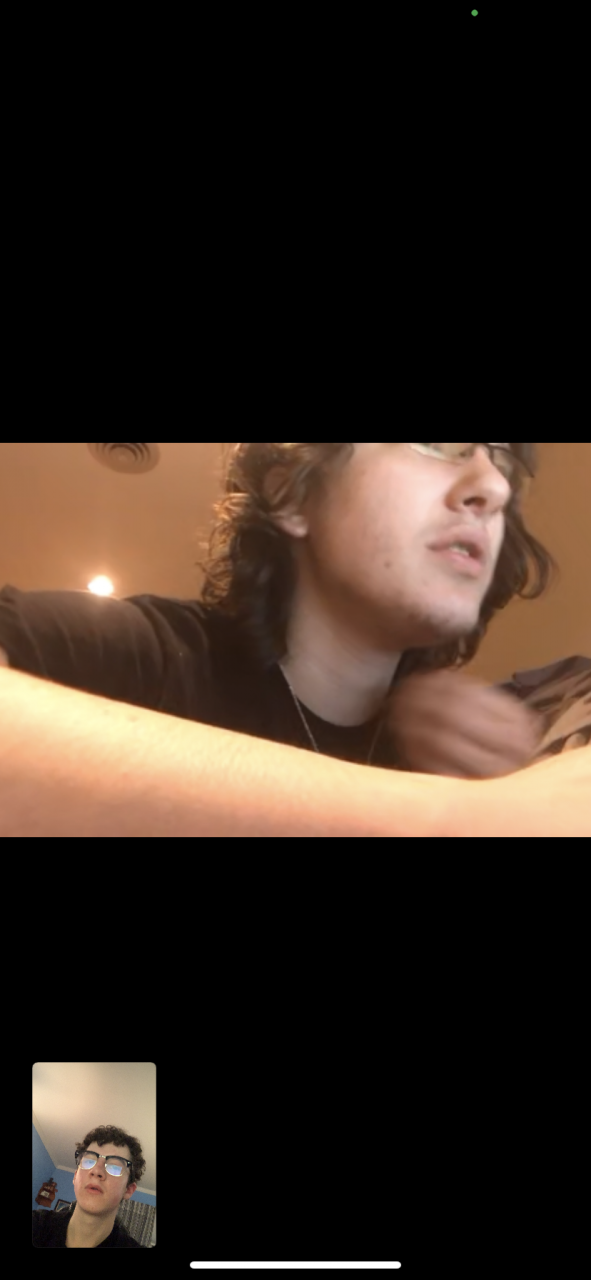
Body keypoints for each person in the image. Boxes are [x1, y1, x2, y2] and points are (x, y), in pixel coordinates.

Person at [1, 442, 589, 837]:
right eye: (435, 443)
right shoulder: (145, 655)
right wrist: (457, 819)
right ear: (291, 494)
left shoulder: (472, 757)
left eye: (502, 461)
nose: (493, 486)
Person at [32, 1129, 146, 1248]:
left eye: (114, 1167)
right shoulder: (37, 1224)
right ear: (75, 1177)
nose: (96, 1171)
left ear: (128, 1189)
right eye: (89, 1161)